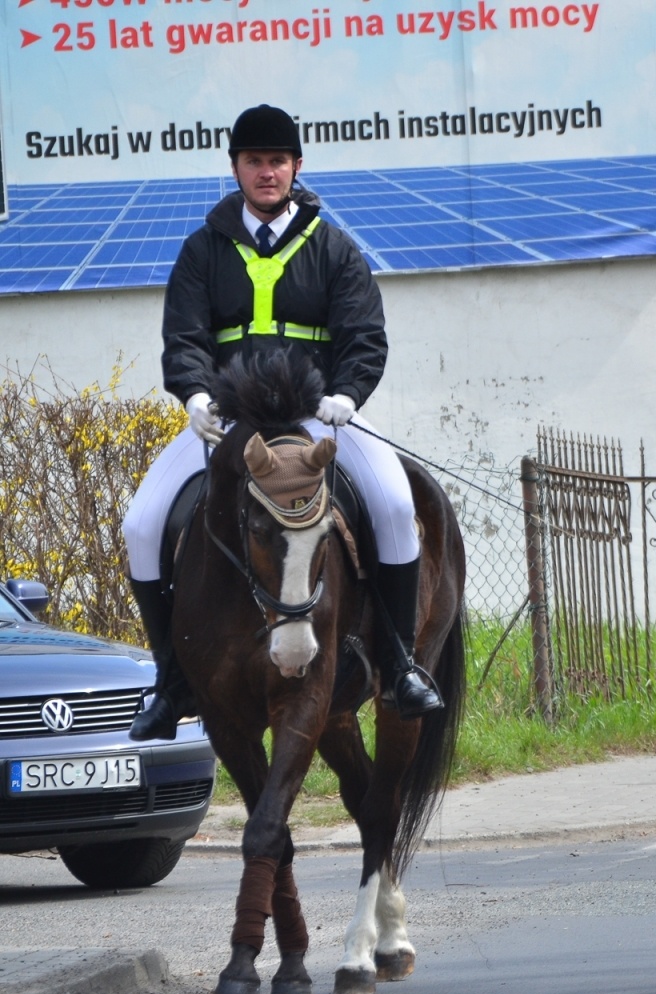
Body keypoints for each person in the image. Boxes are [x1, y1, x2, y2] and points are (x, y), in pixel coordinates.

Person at [121, 104, 443, 741]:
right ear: (235, 168)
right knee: (141, 524)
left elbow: (364, 335)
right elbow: (184, 336)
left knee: (393, 504)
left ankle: (400, 664)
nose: (266, 172)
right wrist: (194, 395)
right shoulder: (202, 250)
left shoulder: (334, 248)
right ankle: (172, 680)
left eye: (277, 161)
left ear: (296, 167)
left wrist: (347, 394)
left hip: (315, 417)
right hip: (229, 421)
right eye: (254, 161)